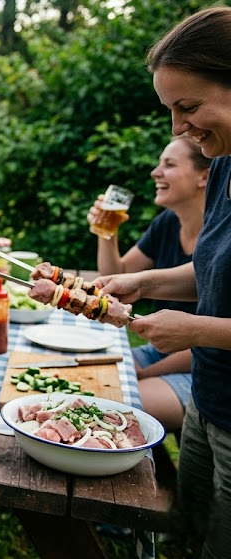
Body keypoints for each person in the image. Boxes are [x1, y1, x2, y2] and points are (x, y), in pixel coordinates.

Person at [95, 7, 231, 556]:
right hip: (209, 400)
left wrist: (195, 330)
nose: (178, 128)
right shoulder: (223, 164)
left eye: (189, 106)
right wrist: (145, 280)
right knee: (188, 536)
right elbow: (211, 272)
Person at [87, 135, 210, 431]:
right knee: (91, 375)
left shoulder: (218, 236)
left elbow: (207, 342)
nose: (155, 172)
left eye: (168, 165)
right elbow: (119, 274)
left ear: (204, 176)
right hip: (162, 350)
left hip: (200, 365)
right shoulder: (167, 222)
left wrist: (142, 372)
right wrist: (107, 232)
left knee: (108, 401)